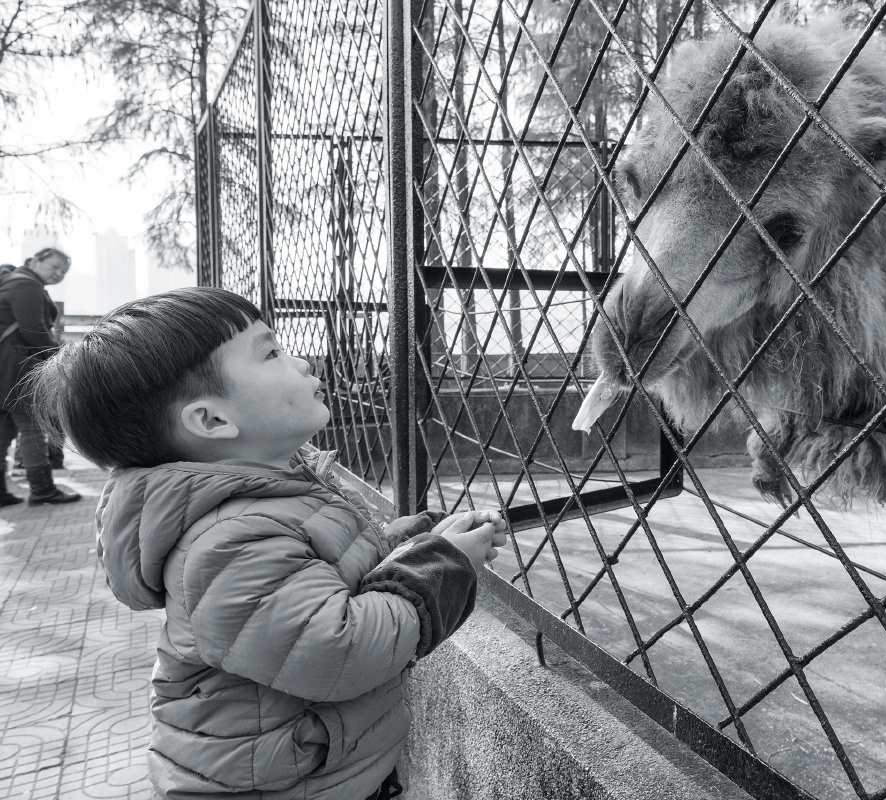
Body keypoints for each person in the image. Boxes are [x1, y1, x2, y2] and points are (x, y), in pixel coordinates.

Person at [28, 287, 508, 799]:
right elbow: (339, 650)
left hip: (318, 770)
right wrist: (441, 566)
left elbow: (325, 575)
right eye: (272, 353)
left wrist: (417, 543)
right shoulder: (229, 541)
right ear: (212, 421)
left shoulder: (276, 491)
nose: (302, 362)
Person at [0, 248, 80, 505]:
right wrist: (58, 359)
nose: (58, 274)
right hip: (19, 366)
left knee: (3, 429)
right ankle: (42, 490)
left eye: (63, 272)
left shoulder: (9, 282)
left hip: (4, 365)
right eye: (54, 266)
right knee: (32, 426)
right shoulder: (26, 285)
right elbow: (34, 330)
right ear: (35, 260)